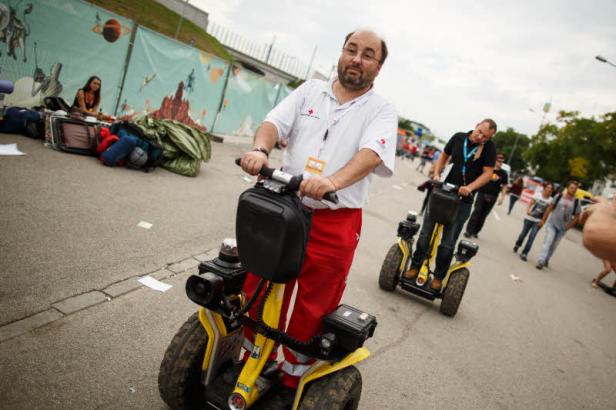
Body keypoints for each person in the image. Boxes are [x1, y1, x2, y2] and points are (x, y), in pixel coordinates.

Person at [238, 30, 396, 398]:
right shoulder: (310, 90)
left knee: (314, 301)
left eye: (367, 54)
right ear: (342, 53)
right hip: (285, 207)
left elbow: (372, 153)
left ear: (378, 66)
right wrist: (261, 150)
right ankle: (252, 360)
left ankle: (291, 379)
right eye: (351, 50)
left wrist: (332, 181)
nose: (357, 58)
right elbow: (273, 122)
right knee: (258, 285)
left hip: (335, 219)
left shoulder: (381, 110)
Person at [403, 119, 497, 290]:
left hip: (463, 200)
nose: (480, 136)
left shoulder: (489, 148)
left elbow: (487, 174)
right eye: (480, 131)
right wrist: (437, 173)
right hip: (442, 193)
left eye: (485, 136)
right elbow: (443, 157)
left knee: (448, 242)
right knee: (425, 234)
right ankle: (415, 267)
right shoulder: (459, 138)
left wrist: (469, 188)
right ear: (476, 125)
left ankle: (439, 276)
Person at [535, 180, 581, 269]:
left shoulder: (576, 202)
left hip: (563, 228)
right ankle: (541, 260)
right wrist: (543, 220)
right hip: (552, 224)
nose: (573, 190)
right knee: (548, 242)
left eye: (575, 189)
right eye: (571, 188)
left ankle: (546, 259)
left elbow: (577, 216)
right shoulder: (559, 196)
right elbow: (549, 208)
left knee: (553, 246)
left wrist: (569, 226)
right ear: (567, 188)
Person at [463, 152, 509, 238]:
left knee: (483, 215)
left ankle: (476, 231)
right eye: (498, 161)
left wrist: (502, 198)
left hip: (493, 196)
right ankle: (469, 231)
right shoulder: (488, 169)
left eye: (501, 161)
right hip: (482, 193)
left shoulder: (503, 173)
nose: (500, 163)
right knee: (477, 212)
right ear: (495, 160)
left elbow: (505, 186)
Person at [513, 181, 554, 261]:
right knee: (523, 234)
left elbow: (547, 212)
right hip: (529, 218)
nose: (549, 190)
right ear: (545, 188)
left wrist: (543, 221)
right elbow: (531, 203)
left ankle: (524, 253)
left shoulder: (550, 200)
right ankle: (518, 244)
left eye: (551, 189)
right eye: (548, 187)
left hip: (538, 220)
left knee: (532, 237)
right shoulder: (538, 195)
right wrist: (528, 210)